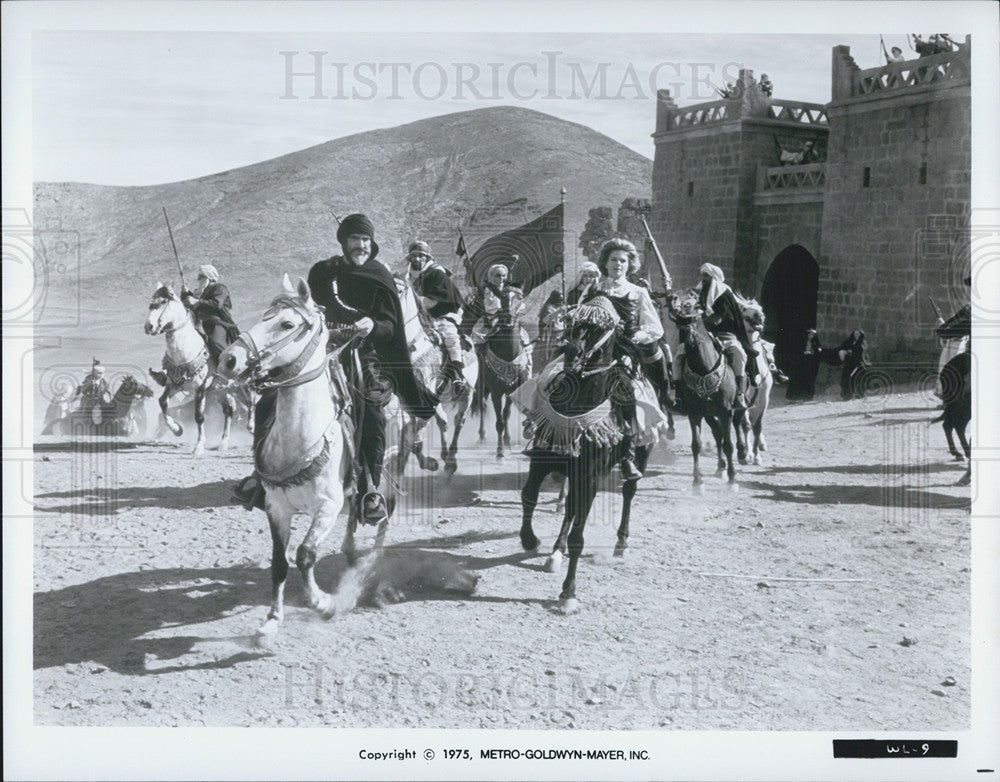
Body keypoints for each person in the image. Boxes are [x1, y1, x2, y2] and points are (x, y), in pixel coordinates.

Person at [306, 213, 439, 522]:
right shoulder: (326, 273)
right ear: (344, 242)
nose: (362, 246)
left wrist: (373, 324)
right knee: (284, 388)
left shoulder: (378, 275)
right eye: (355, 239)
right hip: (325, 350)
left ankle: (371, 488)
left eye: (366, 240)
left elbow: (392, 326)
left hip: (365, 355)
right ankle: (264, 478)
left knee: (371, 405)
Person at [595, 238, 669, 479]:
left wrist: (636, 335)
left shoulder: (638, 292)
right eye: (613, 259)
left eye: (622, 260)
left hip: (624, 352)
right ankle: (552, 439)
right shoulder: (594, 289)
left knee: (626, 387)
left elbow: (655, 328)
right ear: (605, 263)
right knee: (559, 376)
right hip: (594, 350)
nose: (618, 264)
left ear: (629, 265)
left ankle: (627, 454)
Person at [406, 240, 468, 394]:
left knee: (450, 337)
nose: (418, 259)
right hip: (418, 317)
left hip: (441, 315)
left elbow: (432, 301)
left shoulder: (436, 273)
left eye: (422, 256)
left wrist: (412, 304)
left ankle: (457, 374)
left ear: (427, 258)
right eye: (414, 256)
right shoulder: (408, 278)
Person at [695, 263, 758, 410]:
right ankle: (681, 394)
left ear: (713, 278)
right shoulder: (701, 292)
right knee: (683, 353)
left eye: (706, 276)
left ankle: (740, 395)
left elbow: (719, 317)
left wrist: (700, 319)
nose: (703, 279)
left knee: (739, 355)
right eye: (702, 275)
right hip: (704, 334)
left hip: (725, 335)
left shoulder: (724, 293)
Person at [180, 265, 240, 364]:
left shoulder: (219, 288)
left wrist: (197, 301)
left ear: (208, 276)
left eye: (201, 277)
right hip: (204, 325)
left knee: (216, 343)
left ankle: (229, 366)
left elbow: (217, 304)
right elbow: (191, 305)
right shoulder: (202, 294)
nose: (198, 280)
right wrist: (185, 293)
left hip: (218, 324)